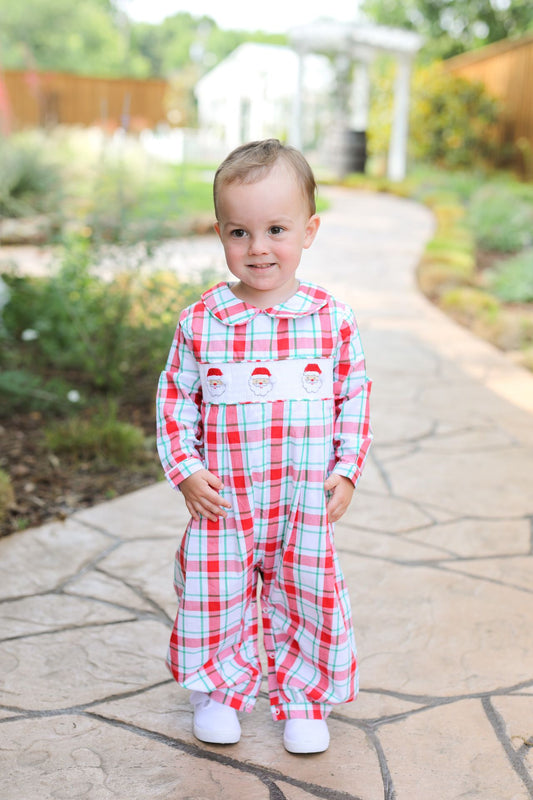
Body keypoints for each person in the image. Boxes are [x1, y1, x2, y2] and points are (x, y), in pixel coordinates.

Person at [156, 139, 372, 754]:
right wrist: (187, 470)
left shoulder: (332, 319)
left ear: (309, 230)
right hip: (225, 496)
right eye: (239, 231)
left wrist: (348, 471)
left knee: (306, 588)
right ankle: (219, 690)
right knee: (215, 589)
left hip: (302, 495)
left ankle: (304, 697)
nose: (258, 248)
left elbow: (353, 398)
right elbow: (175, 401)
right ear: (220, 233)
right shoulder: (203, 322)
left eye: (276, 229)